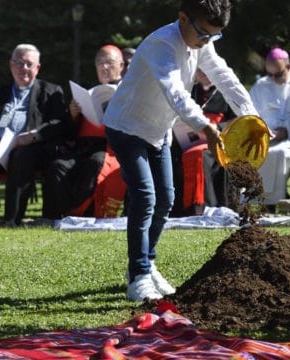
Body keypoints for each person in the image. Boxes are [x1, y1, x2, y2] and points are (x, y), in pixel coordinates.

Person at [103, 0, 263, 302]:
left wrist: (249, 114)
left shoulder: (203, 41)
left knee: (166, 199)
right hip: (126, 127)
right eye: (203, 34)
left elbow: (223, 75)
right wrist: (207, 128)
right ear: (183, 18)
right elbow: (175, 91)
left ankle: (146, 264)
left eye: (214, 37)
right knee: (146, 196)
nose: (206, 41)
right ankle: (137, 276)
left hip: (158, 130)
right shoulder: (161, 44)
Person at [0, 44, 72, 226]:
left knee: (22, 156)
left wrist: (34, 135)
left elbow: (59, 123)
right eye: (19, 63)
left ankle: (11, 219)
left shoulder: (51, 91)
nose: (24, 69)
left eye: (29, 64)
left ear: (38, 68)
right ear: (11, 65)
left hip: (32, 149)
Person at [43, 45, 126, 219]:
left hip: (111, 147)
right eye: (100, 63)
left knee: (95, 163)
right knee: (58, 166)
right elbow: (70, 132)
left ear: (121, 65)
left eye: (109, 63)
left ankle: (82, 213)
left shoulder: (129, 91)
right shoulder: (89, 93)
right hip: (82, 146)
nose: (104, 67)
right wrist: (73, 115)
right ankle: (63, 215)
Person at [249, 48, 290, 207]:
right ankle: (257, 203)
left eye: (278, 74)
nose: (274, 79)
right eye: (270, 74)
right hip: (266, 140)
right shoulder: (260, 86)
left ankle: (274, 203)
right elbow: (251, 117)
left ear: (289, 66)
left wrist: (287, 132)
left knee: (280, 152)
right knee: (258, 153)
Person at [171, 67, 235, 216]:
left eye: (207, 69)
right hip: (187, 142)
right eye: (200, 70)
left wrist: (216, 128)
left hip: (219, 143)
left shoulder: (228, 91)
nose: (204, 73)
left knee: (200, 155)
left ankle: (205, 207)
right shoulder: (188, 91)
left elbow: (237, 121)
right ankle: (180, 209)